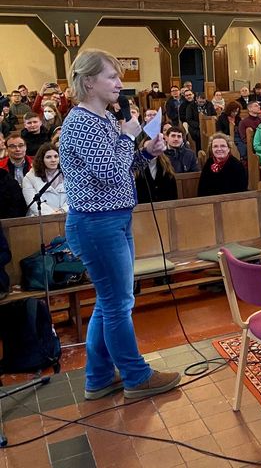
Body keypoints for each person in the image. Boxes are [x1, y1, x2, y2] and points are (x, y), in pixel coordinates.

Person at [59, 48, 181, 400]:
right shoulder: (81, 122)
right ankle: (135, 375)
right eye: (111, 76)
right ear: (88, 82)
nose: (119, 83)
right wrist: (129, 137)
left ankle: (98, 376)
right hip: (96, 224)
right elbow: (110, 172)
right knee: (117, 304)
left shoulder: (104, 121)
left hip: (114, 219)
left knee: (110, 301)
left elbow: (124, 169)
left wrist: (147, 153)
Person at [22, 143, 68, 216]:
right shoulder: (29, 177)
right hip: (39, 219)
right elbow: (32, 202)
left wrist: (62, 211)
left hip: (66, 216)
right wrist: (51, 214)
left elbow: (73, 198)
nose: (53, 160)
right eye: (48, 157)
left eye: (56, 156)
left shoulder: (68, 174)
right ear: (41, 159)